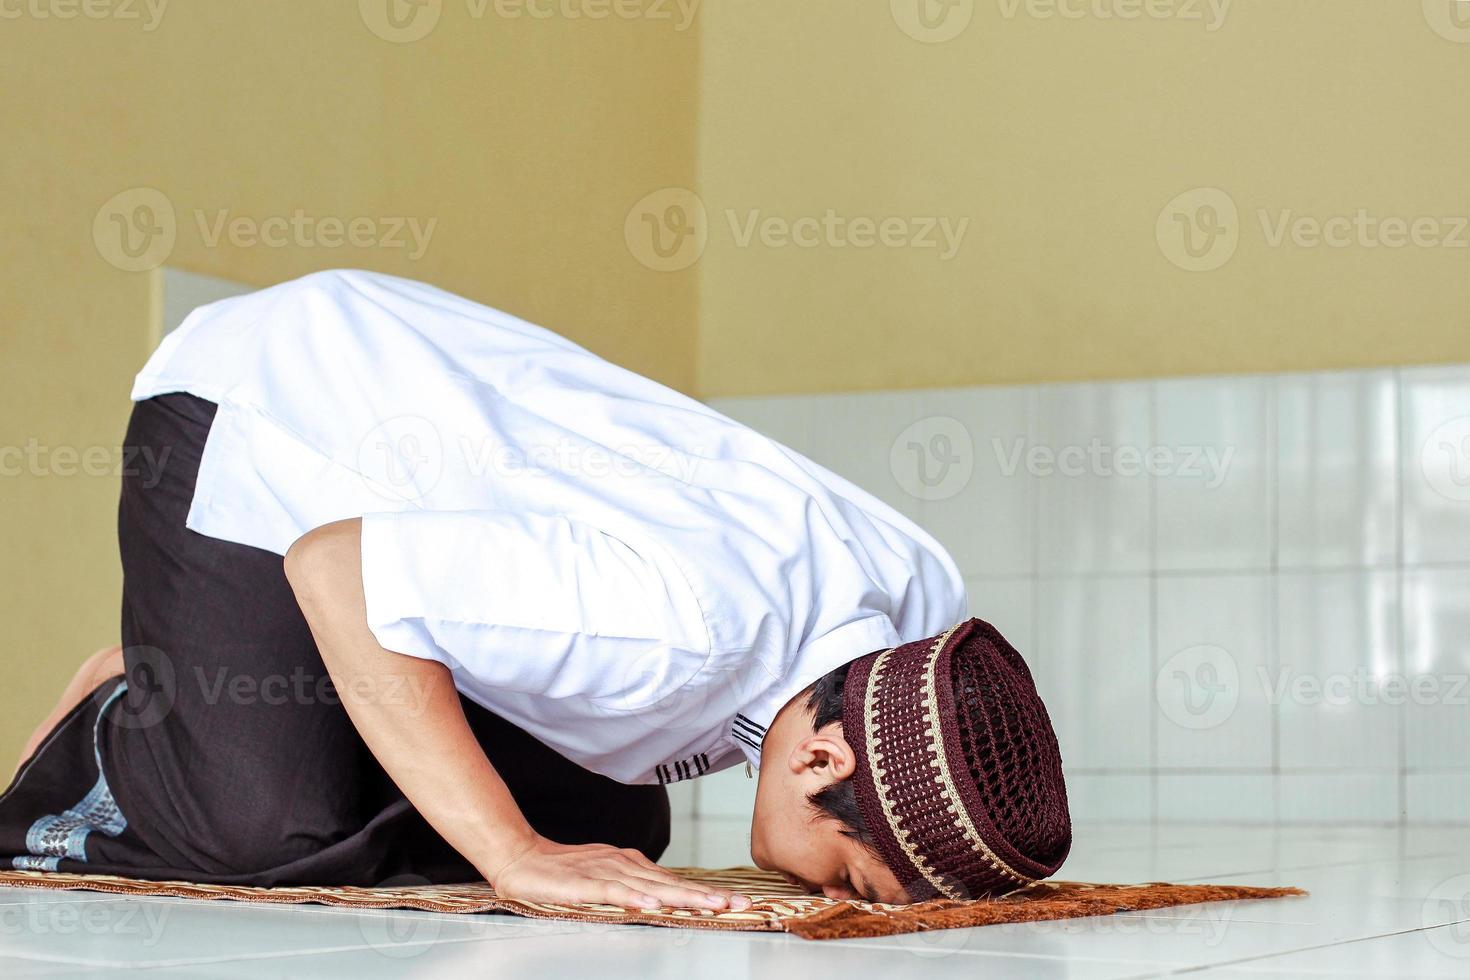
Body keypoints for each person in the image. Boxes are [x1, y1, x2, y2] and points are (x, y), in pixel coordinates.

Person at [3, 270, 1070, 908]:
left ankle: (225, 687)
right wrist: (510, 855)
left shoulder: (912, 622)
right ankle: (139, 707)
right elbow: (336, 564)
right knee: (265, 830)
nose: (834, 900)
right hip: (265, 416)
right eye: (854, 879)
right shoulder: (674, 631)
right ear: (825, 757)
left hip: (402, 495)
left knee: (615, 820)